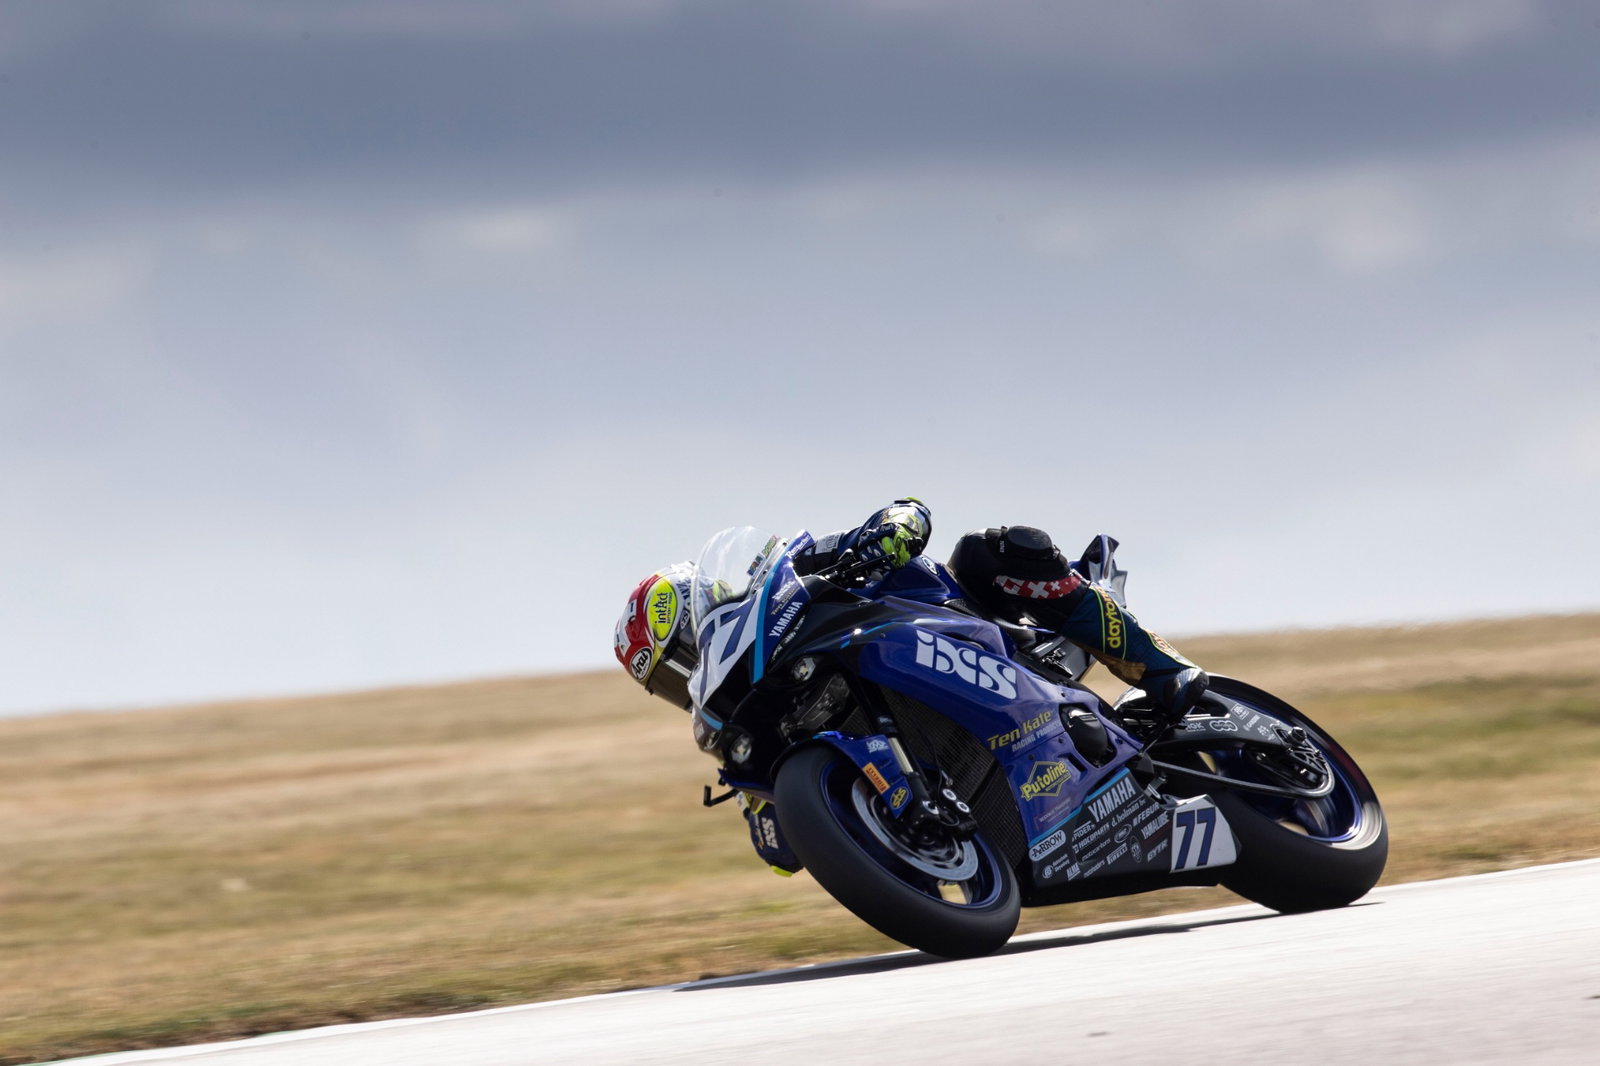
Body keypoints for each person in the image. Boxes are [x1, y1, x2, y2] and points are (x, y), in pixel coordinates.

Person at [612, 497, 1208, 720]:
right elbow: (783, 853)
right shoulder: (756, 711)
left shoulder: (792, 573)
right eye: (673, 679)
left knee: (988, 551)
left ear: (700, 609)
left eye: (682, 658)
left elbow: (906, 512)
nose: (688, 679)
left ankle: (1163, 670)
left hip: (959, 618)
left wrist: (890, 530)